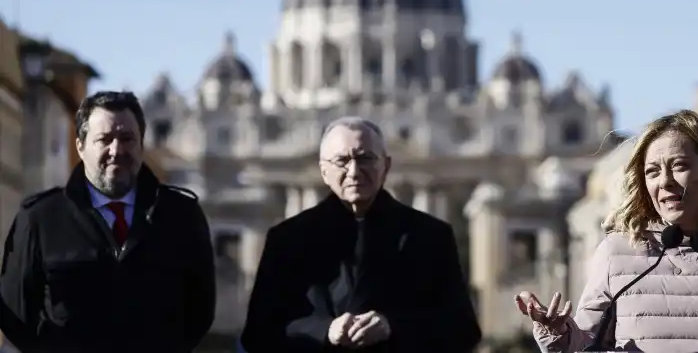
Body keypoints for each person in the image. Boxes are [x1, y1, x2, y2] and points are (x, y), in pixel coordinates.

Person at [516, 109, 698, 353]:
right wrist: (558, 332)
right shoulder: (616, 254)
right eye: (652, 171)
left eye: (679, 166)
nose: (665, 182)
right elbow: (587, 344)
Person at [240, 116, 482, 353]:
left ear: (385, 166)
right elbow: (258, 335)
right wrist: (325, 331)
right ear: (324, 171)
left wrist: (392, 327)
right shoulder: (287, 239)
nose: (354, 171)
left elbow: (463, 331)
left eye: (365, 159)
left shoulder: (431, 236)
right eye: (342, 160)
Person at [0, 91, 216, 353]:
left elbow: (200, 311)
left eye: (127, 139)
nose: (117, 151)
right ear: (80, 146)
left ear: (141, 145)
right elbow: (15, 316)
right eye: (105, 140)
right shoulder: (39, 219)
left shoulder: (181, 216)